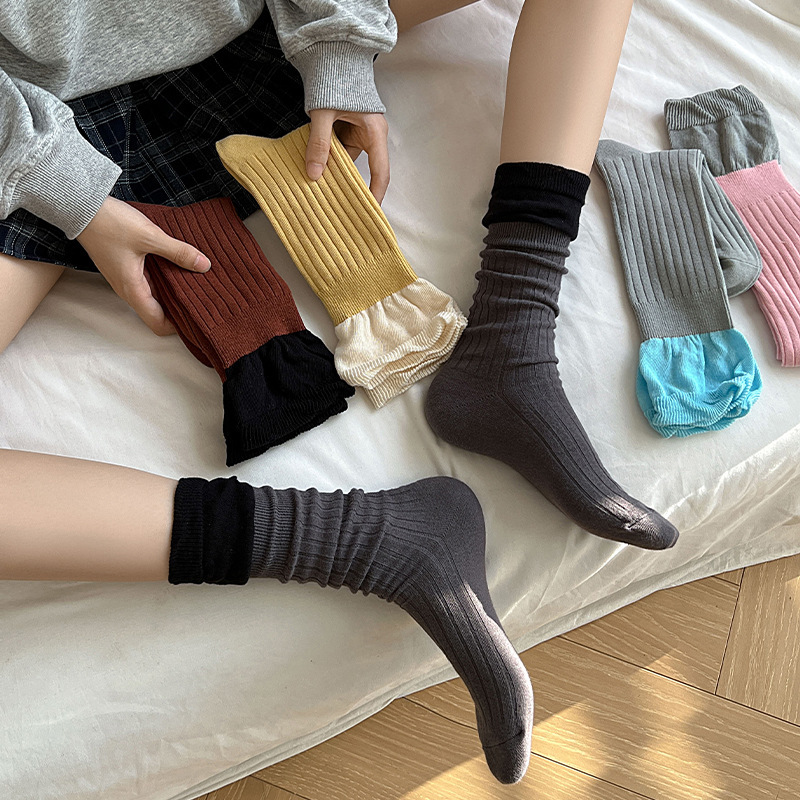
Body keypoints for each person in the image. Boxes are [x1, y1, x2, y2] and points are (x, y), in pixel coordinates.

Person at [0, 0, 676, 784]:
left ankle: (512, 335)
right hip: (25, 139)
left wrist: (337, 43)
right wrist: (72, 193)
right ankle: (371, 540)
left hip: (242, 29)